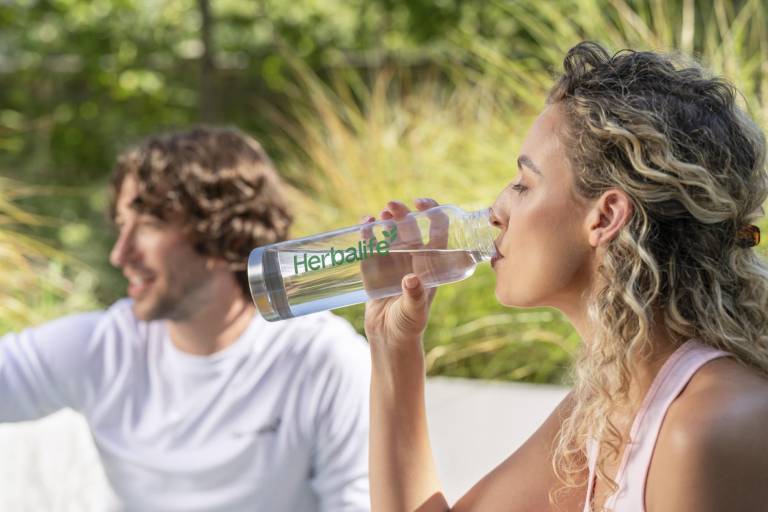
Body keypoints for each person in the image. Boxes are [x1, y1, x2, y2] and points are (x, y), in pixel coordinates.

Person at [363, 41, 768, 511]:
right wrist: (393, 346)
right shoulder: (608, 405)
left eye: (524, 184)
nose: (497, 210)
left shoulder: (703, 426)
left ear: (605, 216)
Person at [0, 127, 371, 512]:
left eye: (148, 225)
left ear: (224, 235)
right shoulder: (103, 346)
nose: (120, 253)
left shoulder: (322, 357)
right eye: (121, 224)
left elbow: (357, 502)